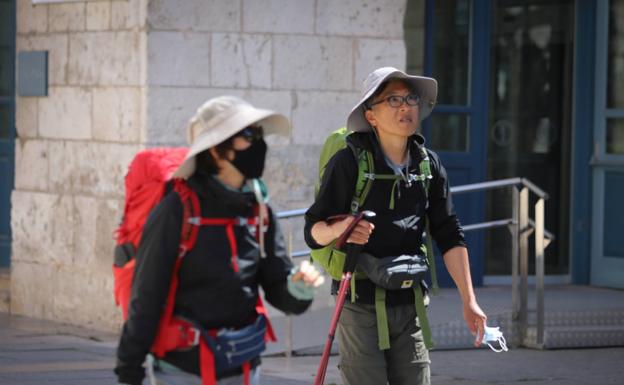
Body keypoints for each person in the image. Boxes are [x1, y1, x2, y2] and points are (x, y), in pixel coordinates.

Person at [115, 95, 324, 385]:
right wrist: (129, 369)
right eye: (248, 135)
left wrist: (298, 287)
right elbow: (147, 294)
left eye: (260, 134)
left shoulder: (259, 209)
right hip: (184, 370)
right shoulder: (177, 209)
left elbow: (277, 287)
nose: (259, 144)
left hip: (245, 367)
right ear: (215, 149)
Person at [304, 67, 488, 385]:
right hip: (360, 303)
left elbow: (448, 232)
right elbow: (313, 230)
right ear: (371, 115)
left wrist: (468, 299)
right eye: (393, 100)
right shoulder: (349, 162)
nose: (405, 107)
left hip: (411, 303)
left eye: (410, 98)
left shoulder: (427, 164)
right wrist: (342, 228)